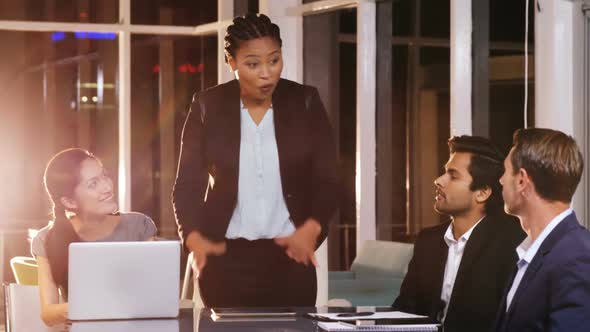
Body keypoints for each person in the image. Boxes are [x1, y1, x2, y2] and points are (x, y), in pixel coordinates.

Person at [172, 13, 338, 308]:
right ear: (231, 61)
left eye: (274, 60)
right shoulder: (206, 106)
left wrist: (312, 229)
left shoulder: (306, 102)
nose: (267, 73)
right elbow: (186, 186)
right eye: (252, 64)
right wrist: (194, 239)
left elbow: (327, 180)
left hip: (291, 257)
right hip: (224, 258)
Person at [392, 136, 524, 332]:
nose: (438, 180)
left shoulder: (511, 244)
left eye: (453, 176)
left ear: (482, 193)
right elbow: (405, 311)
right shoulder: (427, 241)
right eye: (445, 172)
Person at [31, 148, 157, 326]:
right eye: (93, 184)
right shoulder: (47, 239)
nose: (107, 187)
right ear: (70, 202)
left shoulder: (139, 226)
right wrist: (100, 306)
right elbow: (48, 314)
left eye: (104, 176)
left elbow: (154, 296)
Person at [493, 128, 590, 331]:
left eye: (504, 171)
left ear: (522, 181)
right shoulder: (532, 252)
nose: (501, 180)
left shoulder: (576, 256)